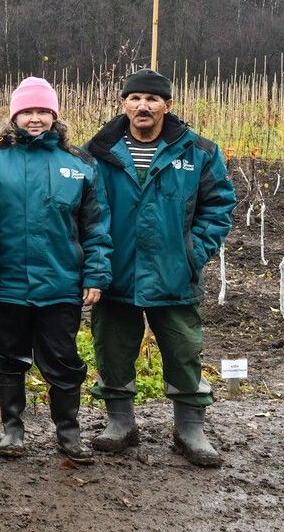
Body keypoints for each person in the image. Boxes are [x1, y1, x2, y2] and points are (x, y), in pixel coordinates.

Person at [83, 69, 235, 467]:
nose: (143, 106)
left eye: (152, 99)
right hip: (116, 272)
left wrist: (192, 251)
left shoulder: (198, 151)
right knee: (112, 348)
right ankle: (120, 423)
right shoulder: (98, 151)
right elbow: (85, 210)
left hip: (174, 275)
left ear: (168, 105)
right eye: (135, 98)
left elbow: (219, 206)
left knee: (184, 349)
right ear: (123, 104)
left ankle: (190, 429)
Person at [0, 77, 112, 464]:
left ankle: (68, 432)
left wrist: (96, 274)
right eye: (27, 112)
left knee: (64, 361)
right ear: (14, 116)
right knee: (8, 358)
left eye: (42, 111)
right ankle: (12, 430)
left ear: (54, 116)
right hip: (4, 285)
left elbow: (96, 226)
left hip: (60, 283)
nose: (34, 119)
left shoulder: (80, 165)